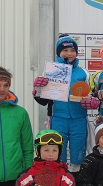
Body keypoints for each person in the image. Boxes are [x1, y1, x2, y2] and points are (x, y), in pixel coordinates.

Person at [33, 34, 99, 172]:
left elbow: (91, 93)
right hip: (58, 118)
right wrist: (37, 89)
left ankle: (77, 178)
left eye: (72, 50)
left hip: (78, 119)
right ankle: (59, 178)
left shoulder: (83, 73)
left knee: (78, 152)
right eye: (65, 50)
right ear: (58, 52)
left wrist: (93, 101)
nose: (69, 53)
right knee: (57, 152)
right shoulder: (50, 71)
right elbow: (43, 100)